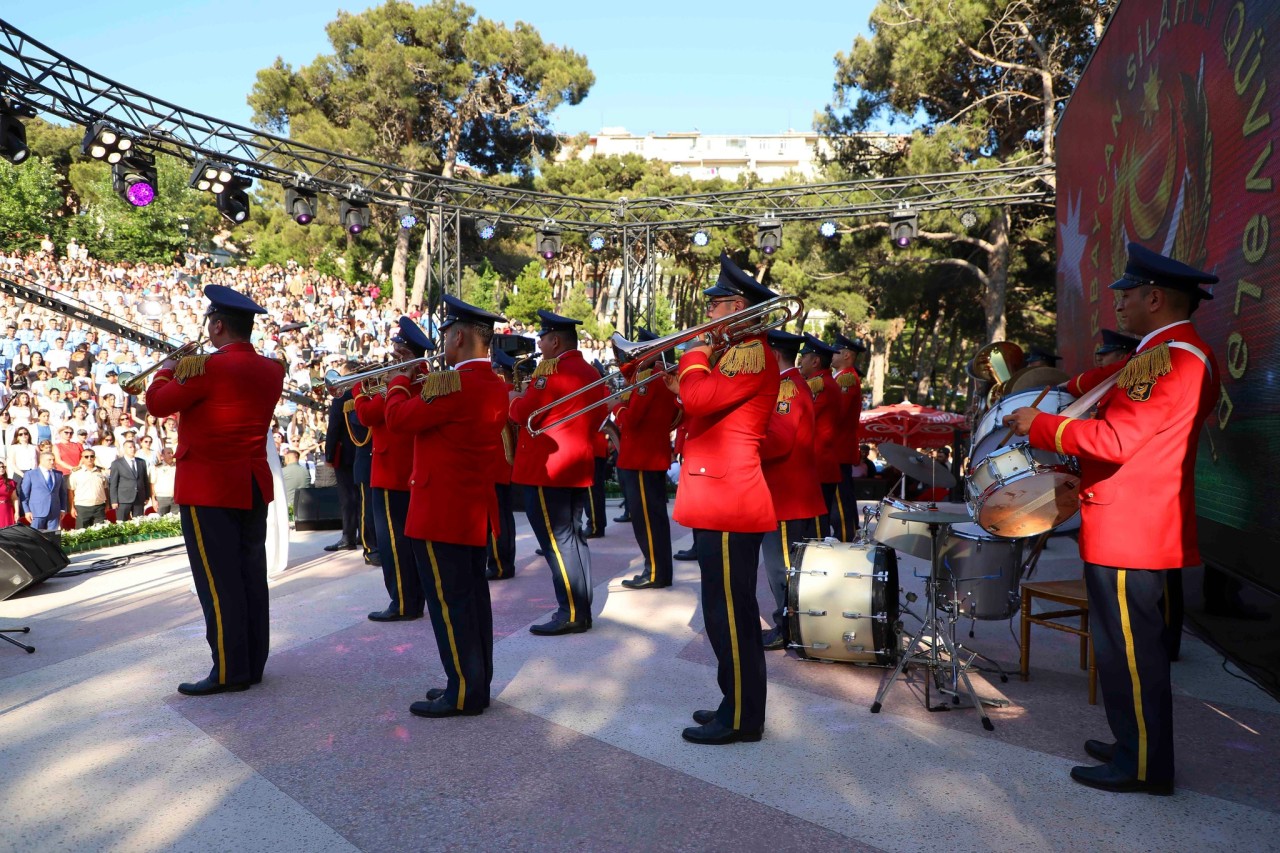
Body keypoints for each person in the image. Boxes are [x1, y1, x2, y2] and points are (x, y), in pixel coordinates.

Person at [1003, 242, 1219, 795]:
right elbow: (1112, 385)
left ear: (1155, 298)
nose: (1118, 303)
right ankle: (1132, 743)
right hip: (1133, 524)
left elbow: (1118, 439)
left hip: (1132, 530)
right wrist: (1063, 389)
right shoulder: (1165, 352)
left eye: (1127, 294)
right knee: (1121, 650)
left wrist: (1039, 425)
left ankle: (1143, 764)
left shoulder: (1170, 358)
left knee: (1131, 655)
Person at [146, 284, 286, 696]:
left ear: (218, 325)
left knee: (218, 582)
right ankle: (252, 663)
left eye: (210, 322)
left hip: (209, 488)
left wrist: (168, 367)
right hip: (251, 483)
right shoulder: (272, 369)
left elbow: (157, 403)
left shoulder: (205, 368)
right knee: (250, 576)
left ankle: (228, 670)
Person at [664, 252, 780, 745]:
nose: (707, 314)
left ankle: (742, 719)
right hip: (720, 496)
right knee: (722, 613)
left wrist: (693, 355)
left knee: (730, 616)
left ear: (735, 308)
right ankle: (735, 702)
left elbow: (700, 399)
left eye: (714, 306)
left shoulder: (750, 355)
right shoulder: (733, 356)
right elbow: (699, 407)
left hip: (731, 500)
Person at [384, 295, 508, 718]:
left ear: (458, 337)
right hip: (469, 510)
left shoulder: (455, 385)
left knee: (450, 606)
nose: (442, 343)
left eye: (446, 334)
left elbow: (398, 420)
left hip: (441, 511)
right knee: (471, 601)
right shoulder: (492, 382)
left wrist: (399, 381)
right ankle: (474, 681)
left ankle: (463, 692)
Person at [508, 309, 609, 635]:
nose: (538, 344)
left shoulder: (550, 372)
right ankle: (581, 607)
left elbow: (525, 413)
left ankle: (572, 612)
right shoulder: (591, 372)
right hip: (577, 466)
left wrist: (514, 399)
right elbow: (601, 416)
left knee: (558, 543)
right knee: (573, 539)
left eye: (542, 338)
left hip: (547, 470)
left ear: (555, 341)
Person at [354, 317, 430, 621]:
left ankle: (403, 603)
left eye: (396, 350)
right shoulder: (425, 378)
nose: (391, 355)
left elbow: (367, 415)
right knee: (412, 543)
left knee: (394, 544)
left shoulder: (402, 381)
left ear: (403, 352)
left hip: (391, 471)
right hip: (412, 469)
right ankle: (414, 599)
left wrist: (359, 388)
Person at [759, 329, 827, 652]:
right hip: (789, 492)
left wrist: (746, 446)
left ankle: (787, 627)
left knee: (782, 567)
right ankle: (792, 624)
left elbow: (779, 442)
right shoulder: (791, 384)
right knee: (785, 564)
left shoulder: (786, 387)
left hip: (786, 495)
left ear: (774, 355)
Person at [613, 328, 679, 590]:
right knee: (653, 519)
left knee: (648, 521)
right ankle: (658, 570)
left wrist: (616, 406)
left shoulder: (649, 379)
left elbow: (632, 421)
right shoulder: (657, 376)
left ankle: (655, 573)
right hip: (648, 456)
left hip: (641, 458)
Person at [797, 334, 843, 538]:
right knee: (812, 523)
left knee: (814, 525)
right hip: (820, 462)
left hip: (817, 463)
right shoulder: (822, 383)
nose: (800, 361)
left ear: (815, 361)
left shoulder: (819, 385)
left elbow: (804, 418)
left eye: (804, 357)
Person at [830, 333, 866, 540]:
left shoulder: (846, 378)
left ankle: (845, 534)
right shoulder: (841, 377)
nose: (831, 355)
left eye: (836, 352)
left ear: (846, 355)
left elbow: (838, 414)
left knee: (840, 498)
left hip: (838, 447)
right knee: (843, 494)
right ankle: (848, 532)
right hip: (839, 446)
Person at [323, 366, 360, 552]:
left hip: (345, 454)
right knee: (362, 496)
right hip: (362, 451)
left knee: (347, 498)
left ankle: (348, 537)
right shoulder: (365, 394)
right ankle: (365, 535)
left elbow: (334, 428)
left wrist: (329, 454)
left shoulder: (341, 397)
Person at [19, 450, 67, 531]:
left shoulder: (58, 474)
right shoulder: (30, 474)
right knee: (36, 535)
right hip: (37, 512)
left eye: (53, 460)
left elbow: (62, 493)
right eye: (49, 460)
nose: (52, 462)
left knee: (53, 536)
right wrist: (27, 511)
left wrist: (62, 509)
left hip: (54, 511)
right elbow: (24, 495)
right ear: (41, 460)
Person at [109, 439, 152, 521]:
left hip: (139, 498)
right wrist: (114, 501)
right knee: (122, 523)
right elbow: (113, 483)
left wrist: (147, 496)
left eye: (134, 447)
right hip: (123, 499)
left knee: (139, 522)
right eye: (130, 447)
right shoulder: (117, 463)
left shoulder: (141, 462)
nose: (133, 449)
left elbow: (145, 480)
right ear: (124, 449)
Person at [68, 450, 109, 528]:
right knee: (81, 532)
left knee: (101, 531)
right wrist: (72, 507)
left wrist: (107, 504)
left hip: (99, 506)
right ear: (82, 458)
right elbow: (71, 491)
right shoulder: (76, 473)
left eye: (92, 456)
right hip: (82, 507)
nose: (89, 459)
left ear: (95, 458)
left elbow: (105, 489)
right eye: (86, 457)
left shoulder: (101, 472)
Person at [150, 447, 177, 515]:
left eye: (172, 453)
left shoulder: (177, 466)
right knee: (162, 519)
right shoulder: (157, 467)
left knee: (176, 519)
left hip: (175, 498)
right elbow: (152, 484)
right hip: (162, 498)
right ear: (162, 456)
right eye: (168, 453)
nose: (171, 455)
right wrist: (153, 500)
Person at [0, 461, 18, 527]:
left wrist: (17, 512)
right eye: (0, 467)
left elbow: (15, 498)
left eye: (3, 467)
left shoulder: (10, 482)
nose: (2, 468)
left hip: (7, 509)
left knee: (8, 530)